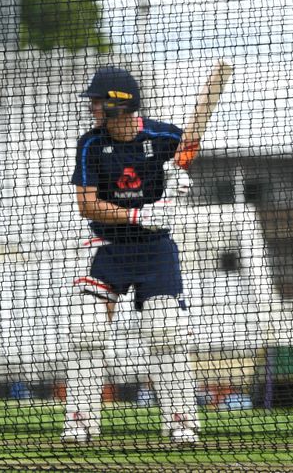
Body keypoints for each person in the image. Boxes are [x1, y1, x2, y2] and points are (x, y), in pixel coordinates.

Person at [61, 66, 200, 444]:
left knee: (166, 328)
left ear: (118, 105)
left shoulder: (165, 136)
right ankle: (81, 421)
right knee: (86, 327)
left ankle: (181, 421)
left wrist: (181, 179)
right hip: (110, 247)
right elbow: (87, 205)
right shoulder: (91, 144)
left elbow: (190, 151)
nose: (92, 108)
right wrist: (138, 214)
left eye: (97, 102)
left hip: (156, 250)